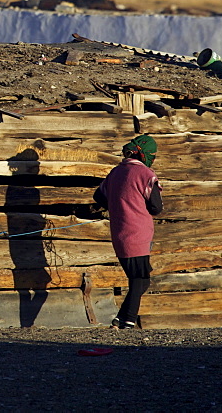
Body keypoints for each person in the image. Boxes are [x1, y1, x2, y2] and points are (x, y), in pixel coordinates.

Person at [93, 134, 163, 329]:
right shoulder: (146, 175)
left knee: (140, 280)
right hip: (137, 235)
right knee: (140, 280)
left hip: (119, 235)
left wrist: (119, 205)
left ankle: (121, 319)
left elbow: (98, 196)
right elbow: (157, 207)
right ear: (145, 155)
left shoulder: (115, 173)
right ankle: (127, 321)